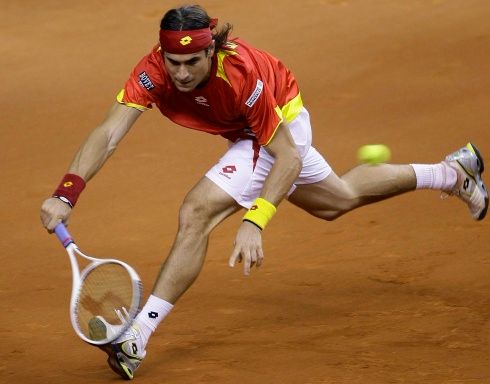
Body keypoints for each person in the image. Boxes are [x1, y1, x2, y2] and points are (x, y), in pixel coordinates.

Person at [40, 4, 488, 380]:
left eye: (191, 62)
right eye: (172, 62)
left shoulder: (238, 76)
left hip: (278, 128)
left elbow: (286, 156)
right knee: (339, 200)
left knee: (197, 211)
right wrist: (66, 192)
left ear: (210, 49)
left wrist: (257, 219)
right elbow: (109, 132)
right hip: (253, 132)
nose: (180, 73)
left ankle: (137, 337)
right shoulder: (153, 70)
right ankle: (452, 173)